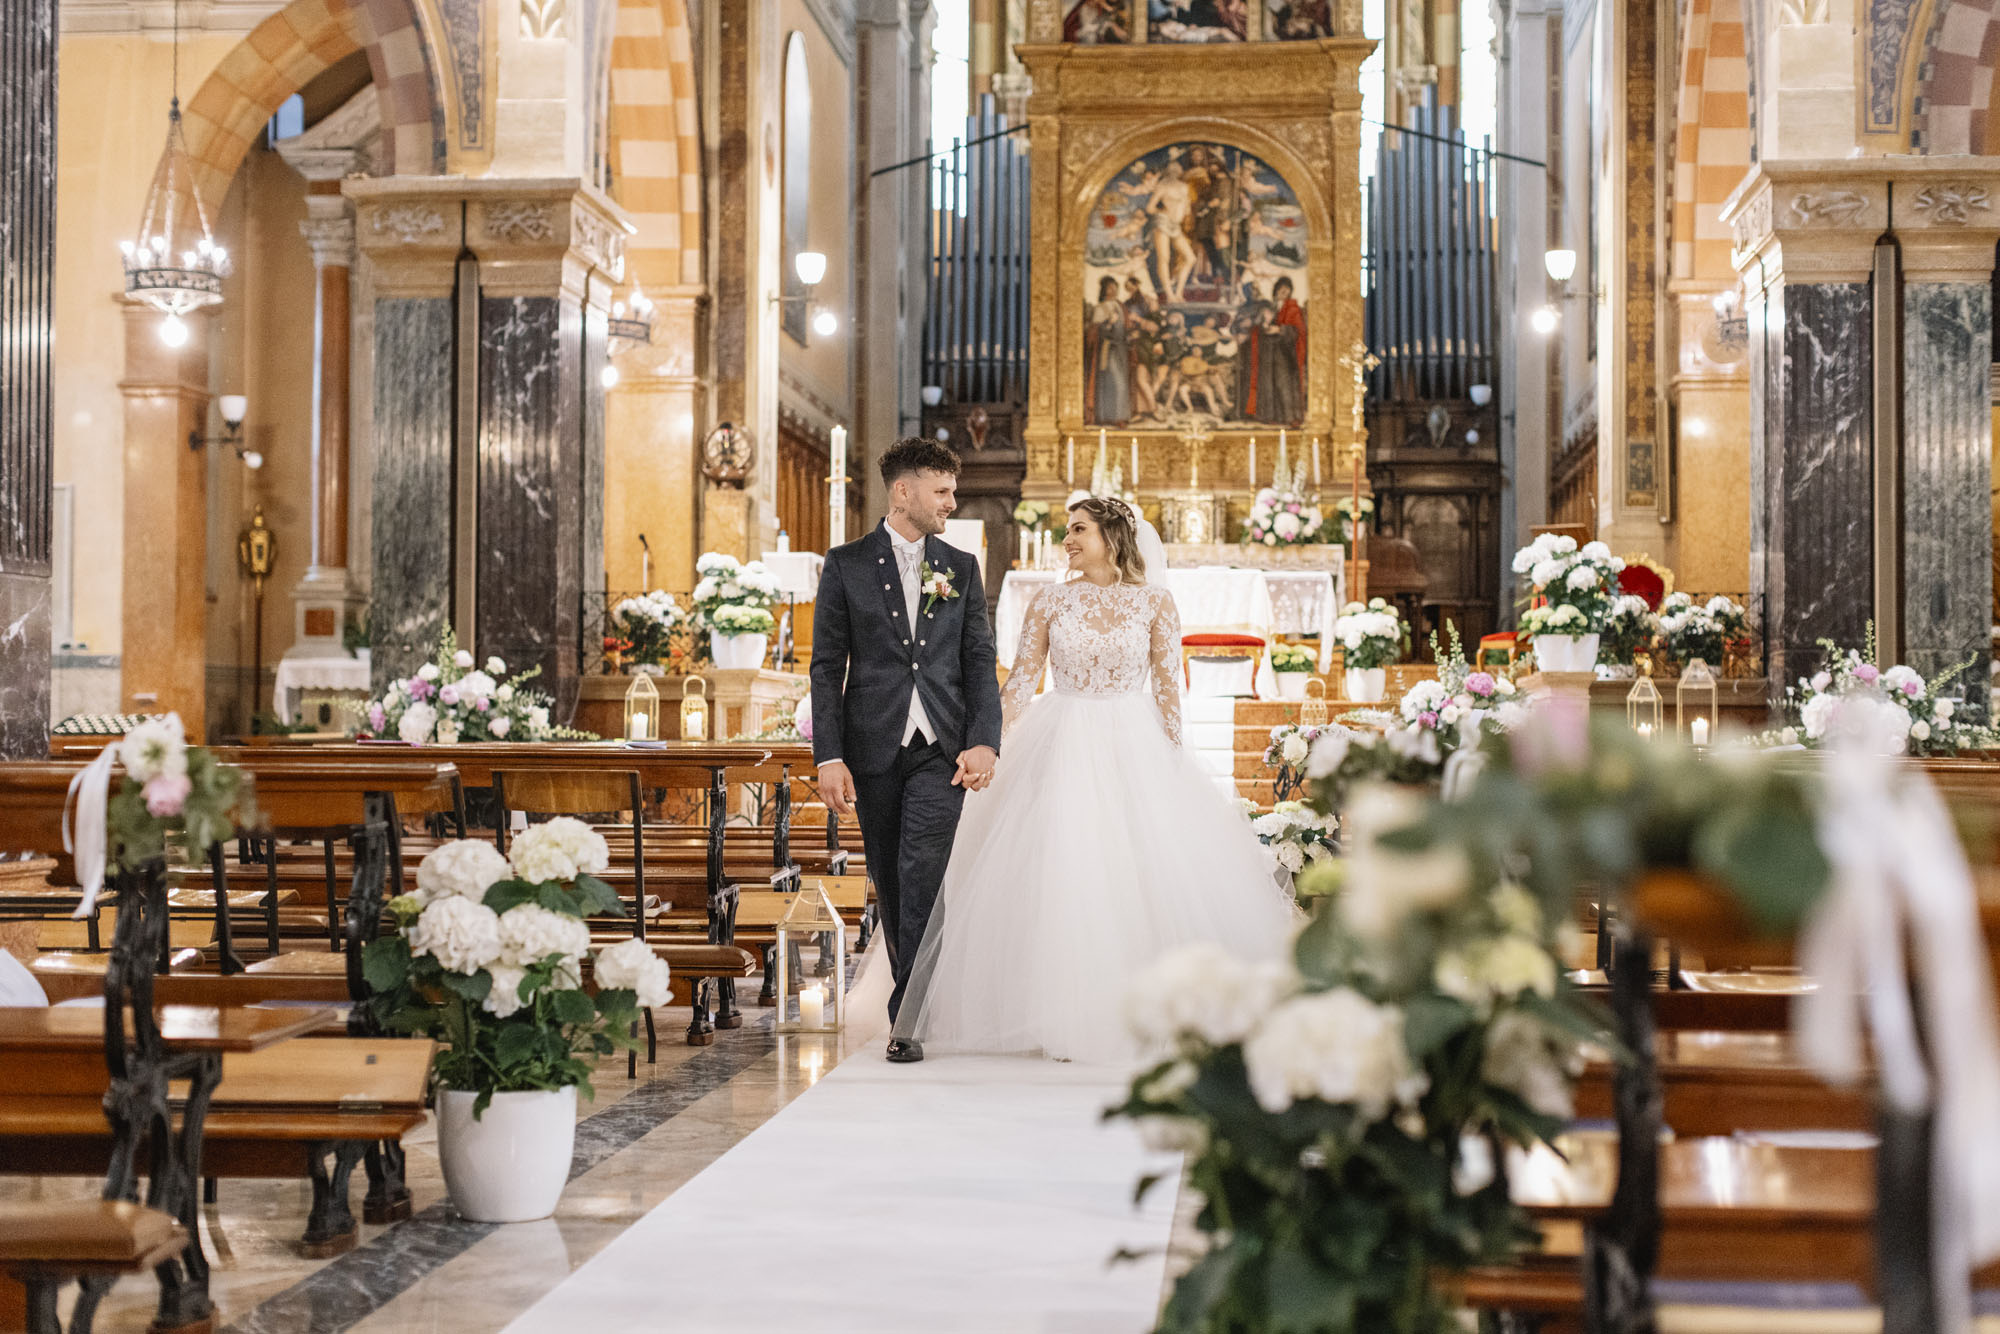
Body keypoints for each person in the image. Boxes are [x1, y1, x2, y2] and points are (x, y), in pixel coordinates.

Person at [886, 496, 1297, 1065]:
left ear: (1112, 535)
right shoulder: (1050, 601)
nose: (1068, 539)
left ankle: (1141, 1006)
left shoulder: (1155, 601)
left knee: (1132, 872)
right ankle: (1057, 1009)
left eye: (1079, 529)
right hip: (1062, 735)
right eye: (1067, 530)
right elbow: (1021, 682)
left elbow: (1168, 689)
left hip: (1134, 742)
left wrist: (1173, 760)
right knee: (1063, 869)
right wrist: (984, 743)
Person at [809, 438, 1002, 1063]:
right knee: (890, 881)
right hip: (871, 747)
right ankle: (913, 1000)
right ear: (904, 491)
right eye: (941, 491)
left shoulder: (962, 566)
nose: (951, 502)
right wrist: (828, 756)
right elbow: (824, 668)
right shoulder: (845, 565)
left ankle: (909, 1017)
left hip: (940, 748)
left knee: (923, 873)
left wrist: (983, 740)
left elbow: (978, 658)